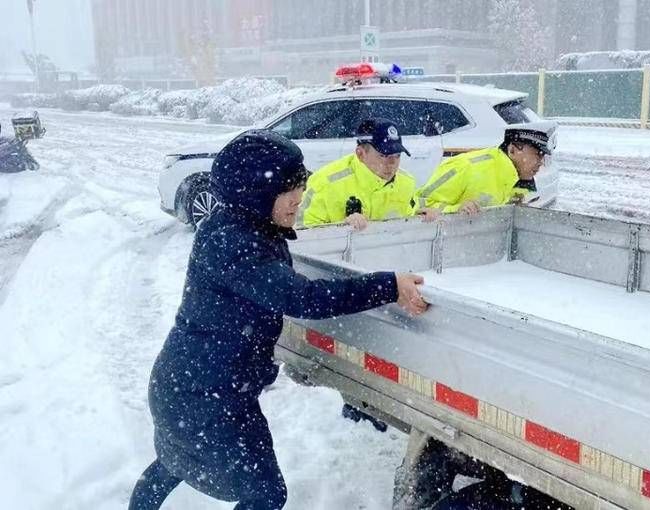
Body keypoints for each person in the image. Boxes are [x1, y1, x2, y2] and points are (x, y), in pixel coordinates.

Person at [129, 129, 428, 510]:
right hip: (206, 398)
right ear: (255, 193)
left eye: (300, 187)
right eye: (289, 191)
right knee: (264, 493)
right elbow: (300, 297)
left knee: (176, 462)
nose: (299, 199)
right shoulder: (233, 243)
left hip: (195, 386)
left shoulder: (245, 225)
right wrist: (389, 285)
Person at [299, 118, 437, 230]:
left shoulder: (406, 182)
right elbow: (299, 234)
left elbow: (406, 223)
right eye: (383, 155)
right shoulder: (324, 184)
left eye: (397, 155)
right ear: (360, 154)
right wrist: (339, 230)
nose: (392, 163)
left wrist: (419, 218)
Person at [416, 121, 557, 216]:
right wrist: (455, 211)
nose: (541, 163)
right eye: (537, 155)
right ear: (512, 150)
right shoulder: (467, 167)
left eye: (543, 156)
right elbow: (419, 206)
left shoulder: (520, 179)